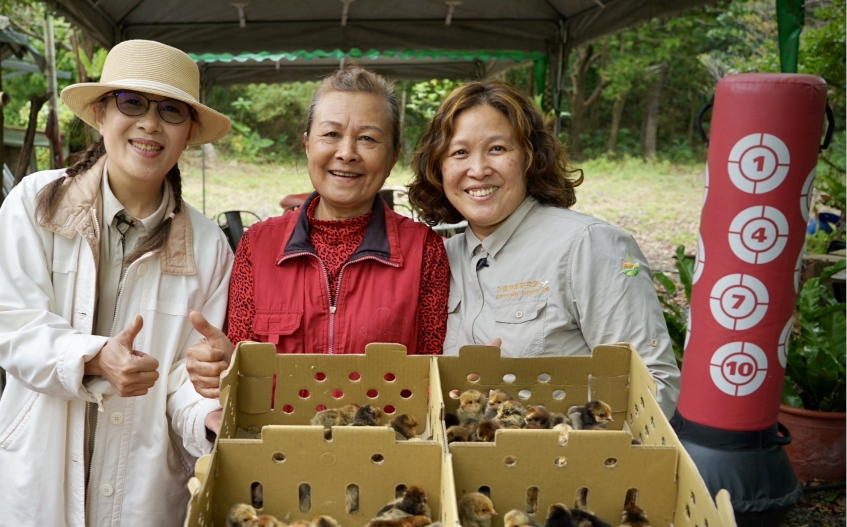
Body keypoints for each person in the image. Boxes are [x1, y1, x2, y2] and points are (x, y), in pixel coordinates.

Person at [0, 40, 233, 527]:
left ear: (190, 131)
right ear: (102, 112)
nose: (150, 124)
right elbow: (5, 318)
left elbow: (182, 379)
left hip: (143, 496)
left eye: (171, 110)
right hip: (32, 480)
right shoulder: (38, 204)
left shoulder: (207, 245)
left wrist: (209, 411)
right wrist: (93, 356)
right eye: (133, 102)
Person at [408, 81, 680, 416]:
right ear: (438, 168)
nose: (477, 170)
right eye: (460, 152)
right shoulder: (442, 259)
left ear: (529, 157)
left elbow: (655, 389)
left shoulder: (590, 246)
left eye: (497, 149)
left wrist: (535, 408)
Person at [186, 67, 449, 396]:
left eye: (368, 138)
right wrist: (221, 368)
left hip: (384, 444)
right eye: (331, 135)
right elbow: (241, 366)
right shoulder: (257, 246)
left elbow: (430, 376)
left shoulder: (424, 250)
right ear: (308, 144)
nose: (347, 152)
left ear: (394, 155)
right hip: (278, 442)